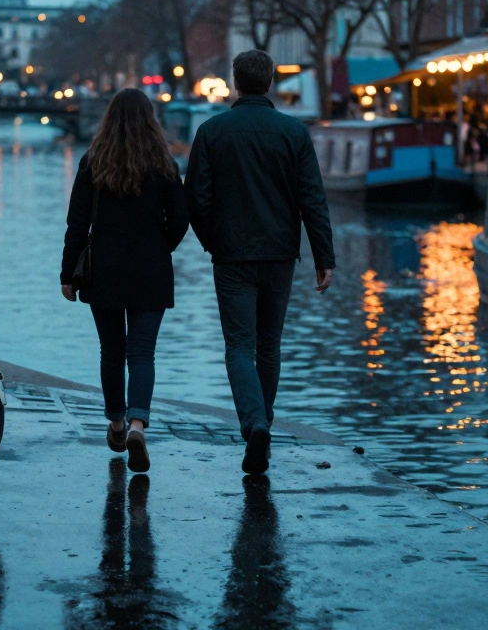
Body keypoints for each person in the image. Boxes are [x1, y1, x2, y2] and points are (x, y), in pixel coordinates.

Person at [184, 49, 336, 475]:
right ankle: (262, 424)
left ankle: (253, 425)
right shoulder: (293, 133)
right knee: (269, 345)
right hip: (280, 254)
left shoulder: (212, 131)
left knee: (238, 346)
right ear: (269, 82)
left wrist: (213, 240)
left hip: (232, 254)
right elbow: (312, 198)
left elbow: (195, 197)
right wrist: (324, 256)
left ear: (236, 82)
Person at [61, 88, 189, 474]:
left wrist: (68, 274)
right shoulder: (164, 164)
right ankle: (138, 423)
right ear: (151, 121)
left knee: (111, 352)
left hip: (105, 268)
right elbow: (181, 220)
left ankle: (116, 423)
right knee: (143, 353)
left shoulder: (92, 162)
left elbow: (76, 225)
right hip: (151, 267)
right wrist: (159, 245)